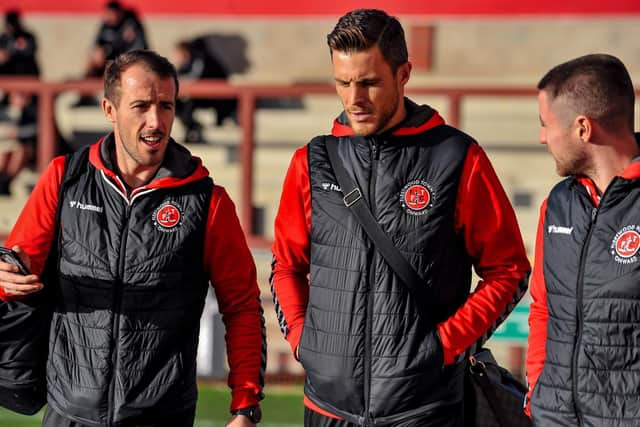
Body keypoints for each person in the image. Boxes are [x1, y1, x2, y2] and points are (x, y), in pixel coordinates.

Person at [270, 8, 530, 427]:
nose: (354, 99)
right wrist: (306, 343)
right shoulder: (311, 161)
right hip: (326, 409)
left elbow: (509, 271)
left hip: (424, 410)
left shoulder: (457, 158)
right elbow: (286, 266)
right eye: (343, 83)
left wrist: (444, 348)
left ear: (404, 73)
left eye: (369, 83)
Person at [0, 50, 265, 426]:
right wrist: (4, 277)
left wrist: (245, 406)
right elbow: (16, 274)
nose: (156, 121)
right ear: (110, 109)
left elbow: (241, 306)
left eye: (166, 106)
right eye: (141, 106)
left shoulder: (208, 202)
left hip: (160, 416)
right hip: (69, 412)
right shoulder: (64, 178)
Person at [525, 54, 640, 426]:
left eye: (546, 125)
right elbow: (543, 308)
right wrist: (537, 393)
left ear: (583, 128)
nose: (542, 137)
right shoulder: (557, 205)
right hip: (554, 417)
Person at [74, 1, 148, 107]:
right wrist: (99, 53)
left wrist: (110, 54)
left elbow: (136, 49)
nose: (108, 17)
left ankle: (113, 101)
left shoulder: (131, 25)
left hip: (129, 61)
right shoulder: (105, 25)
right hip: (108, 60)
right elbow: (97, 44)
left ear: (119, 13)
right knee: (91, 61)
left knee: (111, 68)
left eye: (111, 14)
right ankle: (85, 97)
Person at [173, 38, 237, 143]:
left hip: (218, 99)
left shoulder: (202, 61)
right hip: (199, 97)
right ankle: (193, 127)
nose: (176, 57)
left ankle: (193, 129)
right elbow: (176, 78)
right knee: (174, 103)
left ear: (185, 52)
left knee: (189, 103)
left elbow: (195, 79)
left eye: (178, 53)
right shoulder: (186, 64)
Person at [0, 10, 39, 77]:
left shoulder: (27, 37)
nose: (10, 27)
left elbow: (30, 50)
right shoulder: (4, 38)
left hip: (27, 74)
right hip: (8, 75)